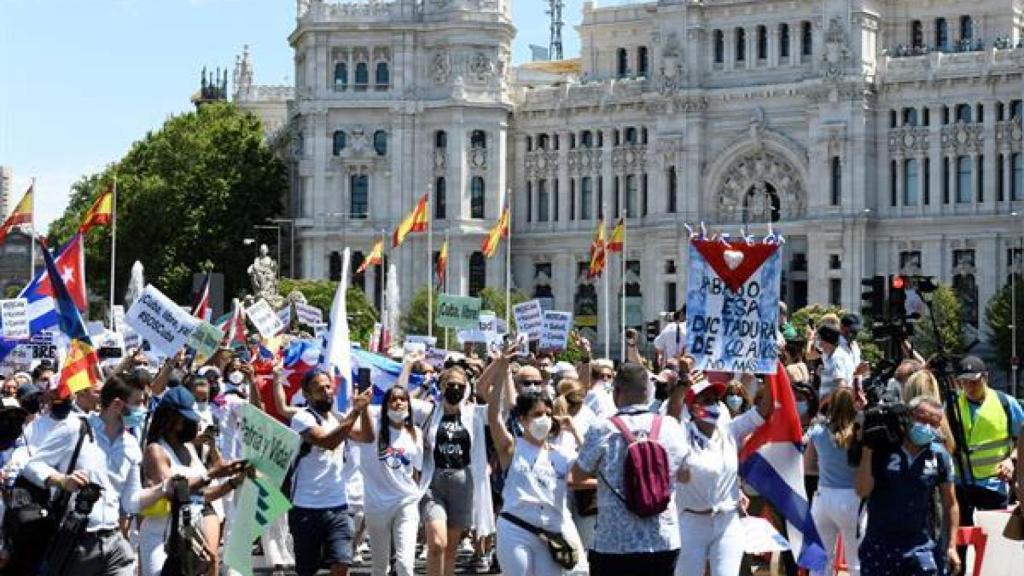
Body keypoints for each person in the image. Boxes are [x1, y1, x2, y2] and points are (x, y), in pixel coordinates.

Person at [21, 376, 177, 575]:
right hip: (76, 541)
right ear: (117, 404)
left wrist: (163, 489)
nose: (143, 409)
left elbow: (131, 502)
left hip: (114, 542)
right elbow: (33, 466)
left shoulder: (131, 445)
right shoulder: (75, 428)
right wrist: (62, 481)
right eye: (138, 402)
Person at [572, 363, 690, 576]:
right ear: (648, 392)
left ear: (617, 392)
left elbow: (577, 476)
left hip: (614, 542)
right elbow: (685, 475)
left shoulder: (603, 428)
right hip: (662, 539)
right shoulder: (670, 427)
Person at [488, 346, 584, 576]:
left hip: (550, 535)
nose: (544, 420)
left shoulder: (562, 454)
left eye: (548, 414)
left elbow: (590, 464)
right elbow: (493, 415)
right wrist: (502, 368)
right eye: (537, 415)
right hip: (515, 529)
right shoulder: (512, 447)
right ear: (522, 419)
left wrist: (575, 431)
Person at [674, 370, 775, 576]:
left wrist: (772, 371)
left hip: (727, 522)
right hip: (691, 523)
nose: (714, 405)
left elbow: (765, 408)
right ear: (693, 409)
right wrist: (680, 389)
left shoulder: (731, 431)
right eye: (706, 400)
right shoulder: (680, 435)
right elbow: (670, 416)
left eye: (716, 400)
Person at [139, 386, 246, 576]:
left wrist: (233, 482)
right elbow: (173, 491)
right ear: (170, 419)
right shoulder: (156, 450)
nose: (189, 423)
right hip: (160, 536)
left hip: (188, 532)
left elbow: (200, 497)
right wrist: (210, 475)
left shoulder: (188, 447)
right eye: (183, 419)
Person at [855, 396, 961, 576]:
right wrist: (866, 449)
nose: (927, 427)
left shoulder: (938, 456)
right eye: (922, 420)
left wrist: (951, 546)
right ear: (908, 417)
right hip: (879, 546)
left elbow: (950, 503)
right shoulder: (884, 448)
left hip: (919, 546)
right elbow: (862, 490)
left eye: (933, 423)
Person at [288, 368, 373, 576]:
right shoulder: (302, 418)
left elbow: (367, 437)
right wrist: (354, 412)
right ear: (307, 395)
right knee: (307, 570)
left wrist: (364, 409)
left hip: (338, 507)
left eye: (328, 387)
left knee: (342, 563)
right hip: (306, 507)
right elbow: (328, 442)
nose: (327, 392)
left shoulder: (338, 418)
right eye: (319, 389)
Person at [419, 366, 494, 576]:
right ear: (441, 387)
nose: (454, 388)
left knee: (451, 549)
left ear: (466, 388)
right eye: (449, 384)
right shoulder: (429, 410)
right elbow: (400, 400)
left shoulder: (475, 414)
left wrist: (501, 366)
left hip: (463, 485)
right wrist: (414, 374)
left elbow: (498, 407)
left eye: (460, 385)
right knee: (436, 543)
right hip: (434, 483)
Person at [350, 384, 424, 576]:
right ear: (385, 405)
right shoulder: (372, 429)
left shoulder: (416, 433)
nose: (398, 403)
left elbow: (416, 472)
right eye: (393, 399)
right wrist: (360, 407)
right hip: (376, 505)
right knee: (380, 568)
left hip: (406, 502)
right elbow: (347, 428)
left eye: (402, 399)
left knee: (406, 566)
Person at [951, 356, 1022, 541]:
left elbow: (1021, 438)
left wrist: (1011, 459)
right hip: (961, 483)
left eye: (974, 381)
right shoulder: (953, 406)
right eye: (964, 382)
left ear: (986, 378)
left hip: (994, 483)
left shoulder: (1005, 402)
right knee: (960, 542)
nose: (969, 387)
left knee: (995, 541)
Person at [805, 388, 861, 576]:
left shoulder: (818, 431)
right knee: (855, 563)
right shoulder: (858, 433)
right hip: (851, 498)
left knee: (821, 561)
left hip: (823, 497)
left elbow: (808, 467)